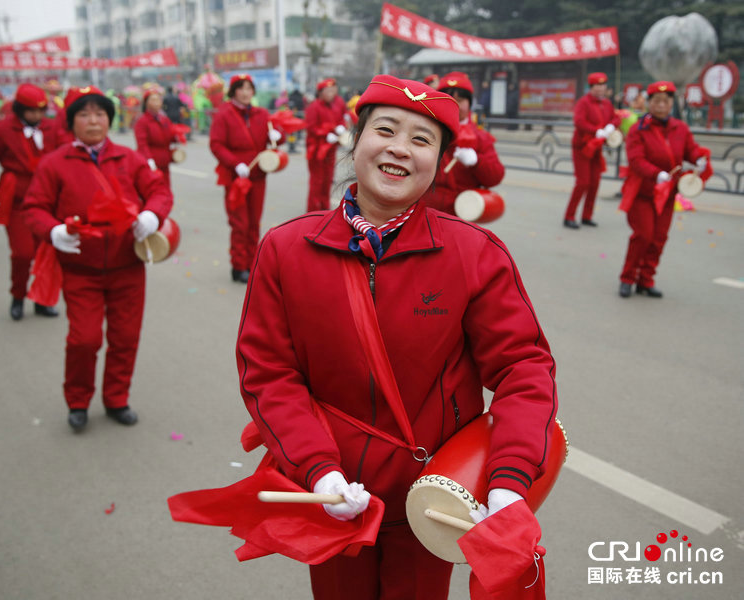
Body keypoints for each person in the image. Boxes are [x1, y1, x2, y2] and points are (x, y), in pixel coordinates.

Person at [235, 74, 558, 598]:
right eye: (385, 129)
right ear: (356, 140)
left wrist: (507, 480)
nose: (399, 149)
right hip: (337, 496)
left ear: (442, 162)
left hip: (433, 500)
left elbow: (524, 367)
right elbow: (269, 372)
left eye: (422, 139)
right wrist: (318, 471)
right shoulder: (285, 249)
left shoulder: (475, 253)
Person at [23, 85, 173, 431]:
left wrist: (152, 215)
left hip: (127, 267)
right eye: (84, 114)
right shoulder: (55, 164)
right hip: (81, 269)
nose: (93, 121)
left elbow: (159, 191)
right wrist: (53, 231)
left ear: (109, 119)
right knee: (84, 339)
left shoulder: (129, 158)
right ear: (72, 122)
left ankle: (116, 399)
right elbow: (33, 208)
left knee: (125, 338)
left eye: (100, 114)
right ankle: (78, 401)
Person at [0, 83, 68, 321]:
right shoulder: (2, 130)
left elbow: (68, 157)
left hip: (50, 201)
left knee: (47, 253)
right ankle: (18, 296)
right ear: (19, 109)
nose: (36, 116)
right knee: (23, 253)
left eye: (40, 110)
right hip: (18, 202)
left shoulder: (52, 128)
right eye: (30, 111)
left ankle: (42, 299)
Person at [618, 81, 708, 299]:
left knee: (659, 238)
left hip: (667, 194)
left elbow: (690, 150)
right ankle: (627, 278)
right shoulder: (638, 129)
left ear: (671, 104)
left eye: (665, 102)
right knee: (643, 235)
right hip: (644, 192)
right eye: (656, 101)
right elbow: (636, 159)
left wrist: (699, 158)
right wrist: (656, 173)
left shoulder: (680, 128)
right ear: (648, 103)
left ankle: (645, 279)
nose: (661, 106)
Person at [209, 73, 283, 284]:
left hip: (258, 175)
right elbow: (216, 144)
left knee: (254, 223)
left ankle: (252, 263)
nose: (245, 93)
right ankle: (238, 265)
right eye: (241, 88)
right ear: (233, 92)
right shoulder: (224, 115)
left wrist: (278, 135)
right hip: (237, 177)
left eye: (249, 88)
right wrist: (235, 163)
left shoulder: (261, 113)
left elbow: (274, 134)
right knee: (240, 223)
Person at [423, 71, 504, 215]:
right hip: (423, 212)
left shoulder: (481, 137)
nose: (454, 104)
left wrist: (477, 161)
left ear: (469, 103)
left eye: (460, 100)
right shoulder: (425, 130)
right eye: (447, 98)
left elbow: (495, 177)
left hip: (461, 214)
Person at [563, 72, 620, 229]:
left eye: (603, 85)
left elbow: (616, 118)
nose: (601, 88)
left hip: (597, 148)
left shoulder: (607, 103)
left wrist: (611, 126)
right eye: (597, 85)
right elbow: (579, 122)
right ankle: (569, 215)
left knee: (595, 183)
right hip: (582, 147)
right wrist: (596, 130)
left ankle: (587, 216)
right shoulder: (584, 103)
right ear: (591, 87)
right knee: (583, 182)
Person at [304, 78, 348, 212]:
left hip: (331, 148)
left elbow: (342, 117)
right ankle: (313, 210)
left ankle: (324, 208)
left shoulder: (337, 104)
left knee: (328, 179)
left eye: (333, 89)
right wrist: (324, 134)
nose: (331, 92)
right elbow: (310, 127)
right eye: (328, 90)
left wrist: (341, 126)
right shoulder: (314, 106)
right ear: (321, 92)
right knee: (317, 181)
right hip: (317, 149)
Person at [134, 87, 174, 186]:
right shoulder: (142, 121)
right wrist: (149, 160)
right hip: (150, 164)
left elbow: (169, 136)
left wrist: (177, 136)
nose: (157, 102)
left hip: (164, 163)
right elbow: (142, 144)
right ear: (146, 103)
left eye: (158, 99)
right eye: (153, 99)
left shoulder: (164, 119)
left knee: (166, 191)